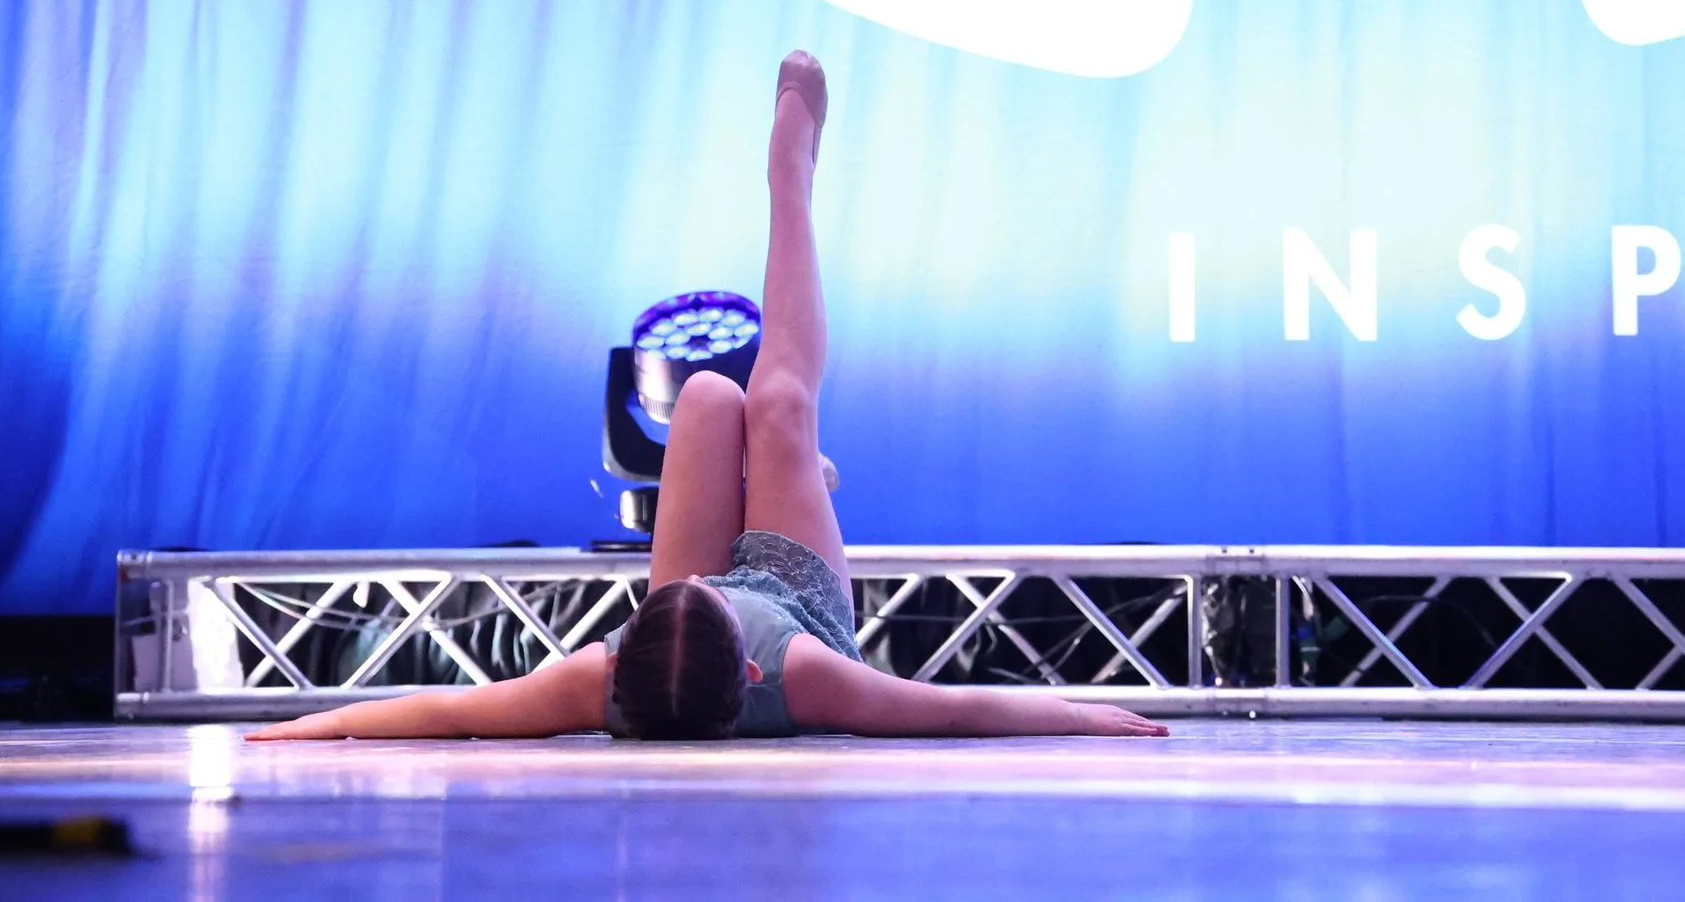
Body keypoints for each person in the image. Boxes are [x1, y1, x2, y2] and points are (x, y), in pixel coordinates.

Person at [250, 52, 1167, 742]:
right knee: (774, 404)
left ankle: (794, 463)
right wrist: (1091, 717)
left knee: (704, 403)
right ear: (756, 672)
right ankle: (791, 184)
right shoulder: (809, 671)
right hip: (797, 591)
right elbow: (954, 708)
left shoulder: (595, 676)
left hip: (698, 598)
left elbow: (452, 713)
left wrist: (310, 727)